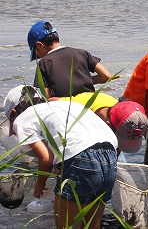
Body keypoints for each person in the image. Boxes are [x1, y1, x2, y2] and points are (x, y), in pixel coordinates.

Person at [4, 85, 118, 228]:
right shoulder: (60, 106)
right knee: (91, 225)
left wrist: (40, 185)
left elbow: (46, 158)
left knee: (67, 226)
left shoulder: (22, 119)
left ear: (13, 112)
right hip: (110, 155)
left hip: (82, 157)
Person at [28, 21, 116, 98]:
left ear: (40, 45)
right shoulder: (82, 53)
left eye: (36, 53)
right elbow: (107, 76)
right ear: (58, 38)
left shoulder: (44, 63)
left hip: (65, 107)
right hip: (89, 102)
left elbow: (47, 97)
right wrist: (83, 81)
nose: (38, 56)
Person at [51, 92, 148, 154]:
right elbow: (52, 101)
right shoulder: (81, 106)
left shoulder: (125, 115)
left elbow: (118, 148)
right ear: (107, 124)